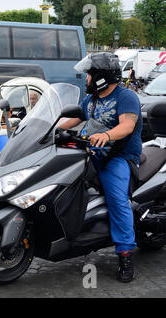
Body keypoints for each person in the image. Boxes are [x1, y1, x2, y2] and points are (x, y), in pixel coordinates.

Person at [59, 52, 142, 283]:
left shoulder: (126, 97)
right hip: (89, 153)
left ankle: (125, 253)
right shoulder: (91, 99)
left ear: (101, 76)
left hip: (117, 157)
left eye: (89, 74)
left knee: (117, 200)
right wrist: (47, 127)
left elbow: (127, 125)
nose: (86, 78)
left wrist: (106, 135)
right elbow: (72, 119)